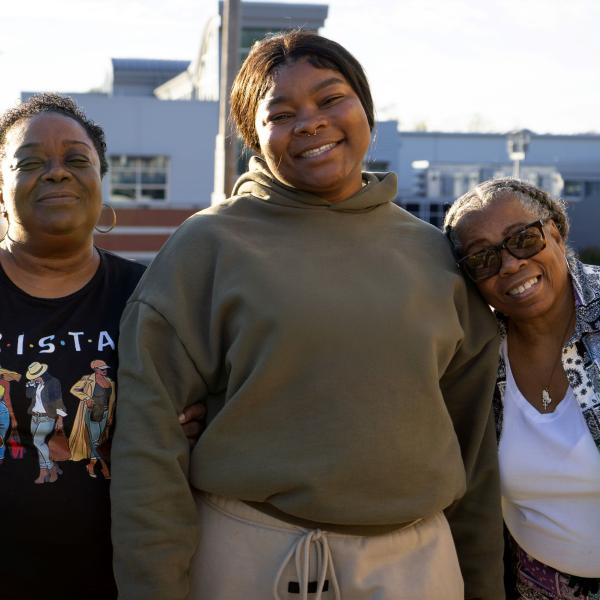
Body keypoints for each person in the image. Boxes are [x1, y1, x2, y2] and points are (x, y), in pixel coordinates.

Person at [112, 31, 504, 600]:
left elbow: (475, 445)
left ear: (365, 109)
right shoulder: (208, 246)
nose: (311, 122)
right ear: (254, 135)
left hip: (418, 564)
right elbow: (148, 446)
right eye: (281, 113)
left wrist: (484, 585)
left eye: (330, 99)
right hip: (252, 559)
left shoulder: (432, 252)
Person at [0, 93, 203, 600]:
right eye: (30, 162)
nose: (56, 173)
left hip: (121, 580)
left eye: (76, 159)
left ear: (99, 180)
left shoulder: (151, 298)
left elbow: (196, 415)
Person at [444, 178, 600, 600]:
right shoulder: (477, 353)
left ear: (556, 230)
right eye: (483, 258)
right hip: (532, 586)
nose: (510, 265)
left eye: (524, 239)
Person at [69, 359, 115, 479]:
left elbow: (112, 401)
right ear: (95, 369)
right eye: (101, 368)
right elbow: (73, 389)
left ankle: (91, 464)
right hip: (92, 412)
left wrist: (110, 415)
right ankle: (104, 466)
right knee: (95, 441)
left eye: (105, 368)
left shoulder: (110, 382)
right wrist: (86, 398)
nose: (104, 370)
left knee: (99, 441)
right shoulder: (87, 379)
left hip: (104, 413)